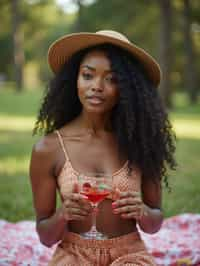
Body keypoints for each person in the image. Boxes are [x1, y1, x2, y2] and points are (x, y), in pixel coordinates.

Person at [30, 30, 176, 265]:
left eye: (112, 79)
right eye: (88, 75)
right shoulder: (48, 149)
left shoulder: (141, 142)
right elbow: (46, 237)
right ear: (74, 79)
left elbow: (154, 224)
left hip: (129, 253)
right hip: (74, 255)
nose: (97, 86)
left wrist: (143, 212)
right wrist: (62, 216)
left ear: (128, 89)